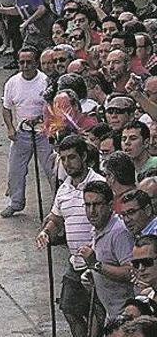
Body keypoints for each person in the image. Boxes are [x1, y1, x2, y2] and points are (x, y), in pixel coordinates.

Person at [35, 135, 106, 337]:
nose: (67, 163)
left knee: (97, 313)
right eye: (63, 159)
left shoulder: (99, 184)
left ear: (84, 156)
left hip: (97, 262)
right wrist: (46, 232)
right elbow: (55, 218)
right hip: (75, 262)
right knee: (69, 309)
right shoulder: (64, 189)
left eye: (72, 157)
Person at [1, 47, 52, 217]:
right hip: (22, 132)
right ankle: (16, 203)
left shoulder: (45, 81)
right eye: (21, 62)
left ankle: (57, 205)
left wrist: (47, 125)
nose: (25, 66)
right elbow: (7, 108)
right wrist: (10, 127)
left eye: (29, 62)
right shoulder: (12, 83)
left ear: (36, 63)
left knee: (52, 168)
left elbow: (53, 107)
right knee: (15, 169)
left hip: (43, 132)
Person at [78, 180, 135, 321]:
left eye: (97, 204)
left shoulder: (119, 232)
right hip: (112, 313)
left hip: (127, 315)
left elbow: (130, 272)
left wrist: (96, 265)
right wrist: (93, 272)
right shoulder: (98, 229)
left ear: (110, 206)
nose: (92, 211)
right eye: (87, 205)